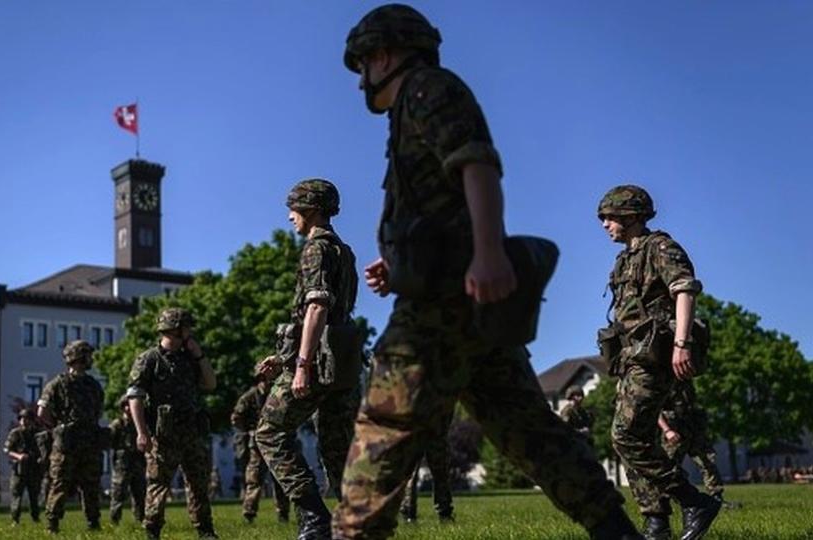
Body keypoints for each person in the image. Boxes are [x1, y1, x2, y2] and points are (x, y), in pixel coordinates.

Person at [332, 5, 641, 539]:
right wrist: (400, 263)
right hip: (468, 307)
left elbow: (476, 164)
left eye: (363, 64)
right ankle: (616, 530)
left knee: (381, 431)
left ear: (382, 54)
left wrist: (489, 252)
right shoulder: (412, 103)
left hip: (441, 307)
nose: (362, 79)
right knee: (531, 432)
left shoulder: (427, 88)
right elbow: (439, 203)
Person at [598, 184, 721, 540]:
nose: (606, 224)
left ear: (632, 215)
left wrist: (681, 343)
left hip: (654, 357)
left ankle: (694, 501)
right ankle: (656, 521)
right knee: (636, 439)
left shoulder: (660, 247)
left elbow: (684, 289)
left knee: (625, 437)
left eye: (610, 216)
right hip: (632, 359)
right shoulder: (624, 259)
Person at [254, 178, 362, 539]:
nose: (290, 216)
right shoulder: (344, 251)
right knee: (336, 450)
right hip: (343, 365)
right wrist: (284, 358)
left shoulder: (316, 249)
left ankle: (314, 517)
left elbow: (317, 306)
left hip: (316, 363)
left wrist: (300, 366)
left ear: (312, 208)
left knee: (269, 432)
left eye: (294, 208)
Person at [127, 307, 219, 540]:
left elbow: (210, 384)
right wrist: (141, 432)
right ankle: (152, 531)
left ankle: (205, 531)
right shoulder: (149, 359)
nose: (190, 333)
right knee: (158, 484)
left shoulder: (190, 358)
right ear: (175, 330)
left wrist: (199, 355)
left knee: (199, 483)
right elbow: (134, 397)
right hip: (163, 436)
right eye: (186, 329)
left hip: (192, 432)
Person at [37, 339, 105, 533]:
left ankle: (93, 523)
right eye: (88, 355)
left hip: (89, 443)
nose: (91, 359)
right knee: (60, 484)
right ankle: (52, 523)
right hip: (66, 445)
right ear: (78, 357)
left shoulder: (93, 385)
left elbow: (97, 411)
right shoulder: (57, 384)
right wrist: (58, 428)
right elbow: (42, 412)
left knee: (91, 484)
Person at [232, 378, 290, 523]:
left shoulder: (276, 393)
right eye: (263, 379)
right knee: (254, 478)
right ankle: (249, 512)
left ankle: (283, 512)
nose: (267, 382)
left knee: (280, 478)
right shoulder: (249, 397)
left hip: (276, 441)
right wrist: (248, 431)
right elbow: (236, 418)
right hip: (257, 445)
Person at [658, 382, 724, 501]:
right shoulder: (661, 378)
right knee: (669, 467)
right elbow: (655, 409)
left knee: (707, 460)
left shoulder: (685, 378)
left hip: (692, 425)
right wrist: (667, 430)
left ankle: (716, 497)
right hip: (674, 429)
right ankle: (665, 500)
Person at [399, 412, 454, 524]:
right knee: (440, 472)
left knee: (414, 472)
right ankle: (444, 513)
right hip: (434, 425)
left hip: (418, 425)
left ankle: (409, 513)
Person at [109, 396, 147, 525]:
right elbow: (110, 443)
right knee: (118, 494)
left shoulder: (140, 424)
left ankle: (140, 520)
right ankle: (115, 521)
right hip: (122, 465)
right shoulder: (117, 424)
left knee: (140, 495)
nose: (127, 408)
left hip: (138, 463)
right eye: (125, 405)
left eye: (129, 405)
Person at [5, 408, 43, 524]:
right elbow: (7, 449)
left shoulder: (37, 434)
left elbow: (42, 449)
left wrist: (41, 458)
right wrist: (18, 456)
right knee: (16, 495)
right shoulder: (15, 433)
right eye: (22, 419)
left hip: (33, 468)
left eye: (27, 419)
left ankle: (35, 518)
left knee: (34, 496)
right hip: (19, 469)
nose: (24, 422)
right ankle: (15, 519)